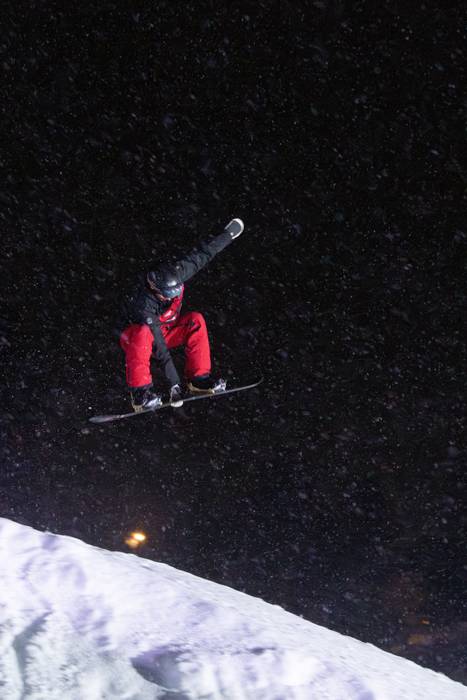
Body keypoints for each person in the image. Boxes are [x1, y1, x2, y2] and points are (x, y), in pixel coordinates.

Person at [119, 218, 244, 411]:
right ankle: (140, 394)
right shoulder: (144, 304)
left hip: (166, 330)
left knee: (195, 320)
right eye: (167, 294)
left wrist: (228, 235)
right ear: (154, 288)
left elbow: (204, 253)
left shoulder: (179, 272)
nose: (172, 297)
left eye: (175, 292)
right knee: (143, 333)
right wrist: (174, 385)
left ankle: (199, 379)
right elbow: (161, 349)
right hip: (139, 337)